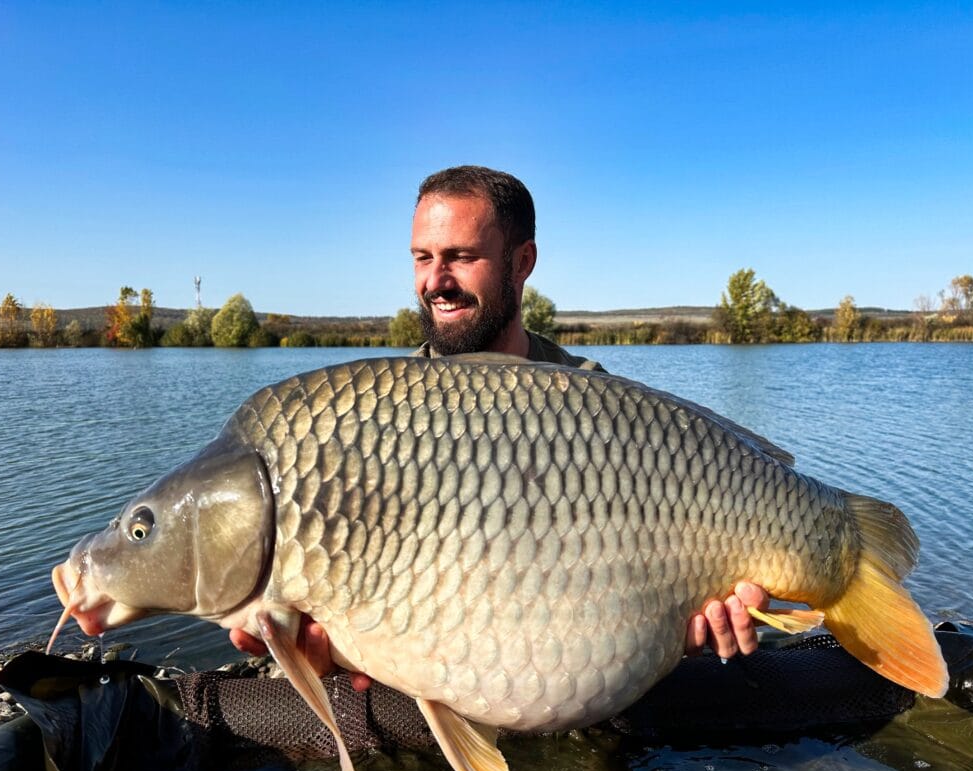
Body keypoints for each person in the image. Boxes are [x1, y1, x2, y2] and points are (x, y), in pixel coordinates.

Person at [230, 165, 770, 686]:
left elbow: (656, 579)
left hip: (572, 689)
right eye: (423, 257)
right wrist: (327, 654)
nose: (435, 282)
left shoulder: (597, 403)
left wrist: (692, 621)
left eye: (461, 257)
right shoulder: (373, 419)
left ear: (522, 262)